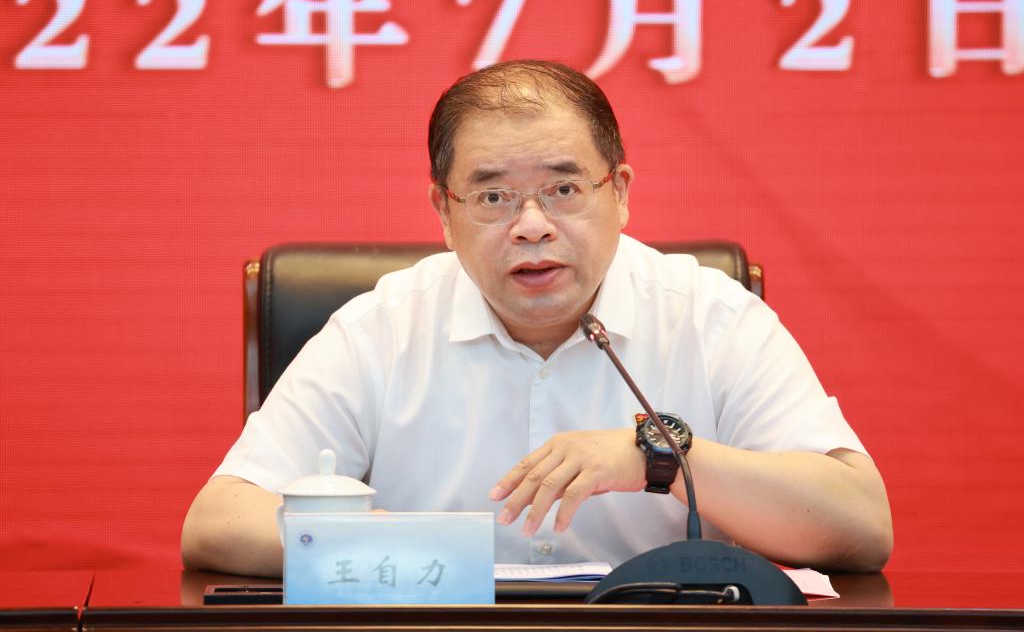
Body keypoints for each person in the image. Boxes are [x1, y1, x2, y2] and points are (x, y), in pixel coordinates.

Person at [181, 60, 892, 577]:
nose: (531, 225)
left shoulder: (713, 319)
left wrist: (659, 458)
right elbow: (219, 518)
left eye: (563, 189)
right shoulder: (382, 329)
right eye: (492, 198)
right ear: (444, 212)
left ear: (620, 193)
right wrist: (386, 544)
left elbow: (860, 525)